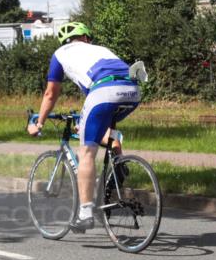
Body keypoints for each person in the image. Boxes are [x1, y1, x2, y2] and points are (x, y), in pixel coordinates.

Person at [27, 22, 140, 232]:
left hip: (104, 91)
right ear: (85, 38)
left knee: (86, 151)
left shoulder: (60, 53)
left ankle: (85, 213)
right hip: (132, 89)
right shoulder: (100, 49)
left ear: (65, 41)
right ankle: (118, 159)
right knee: (97, 128)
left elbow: (51, 93)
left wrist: (39, 122)